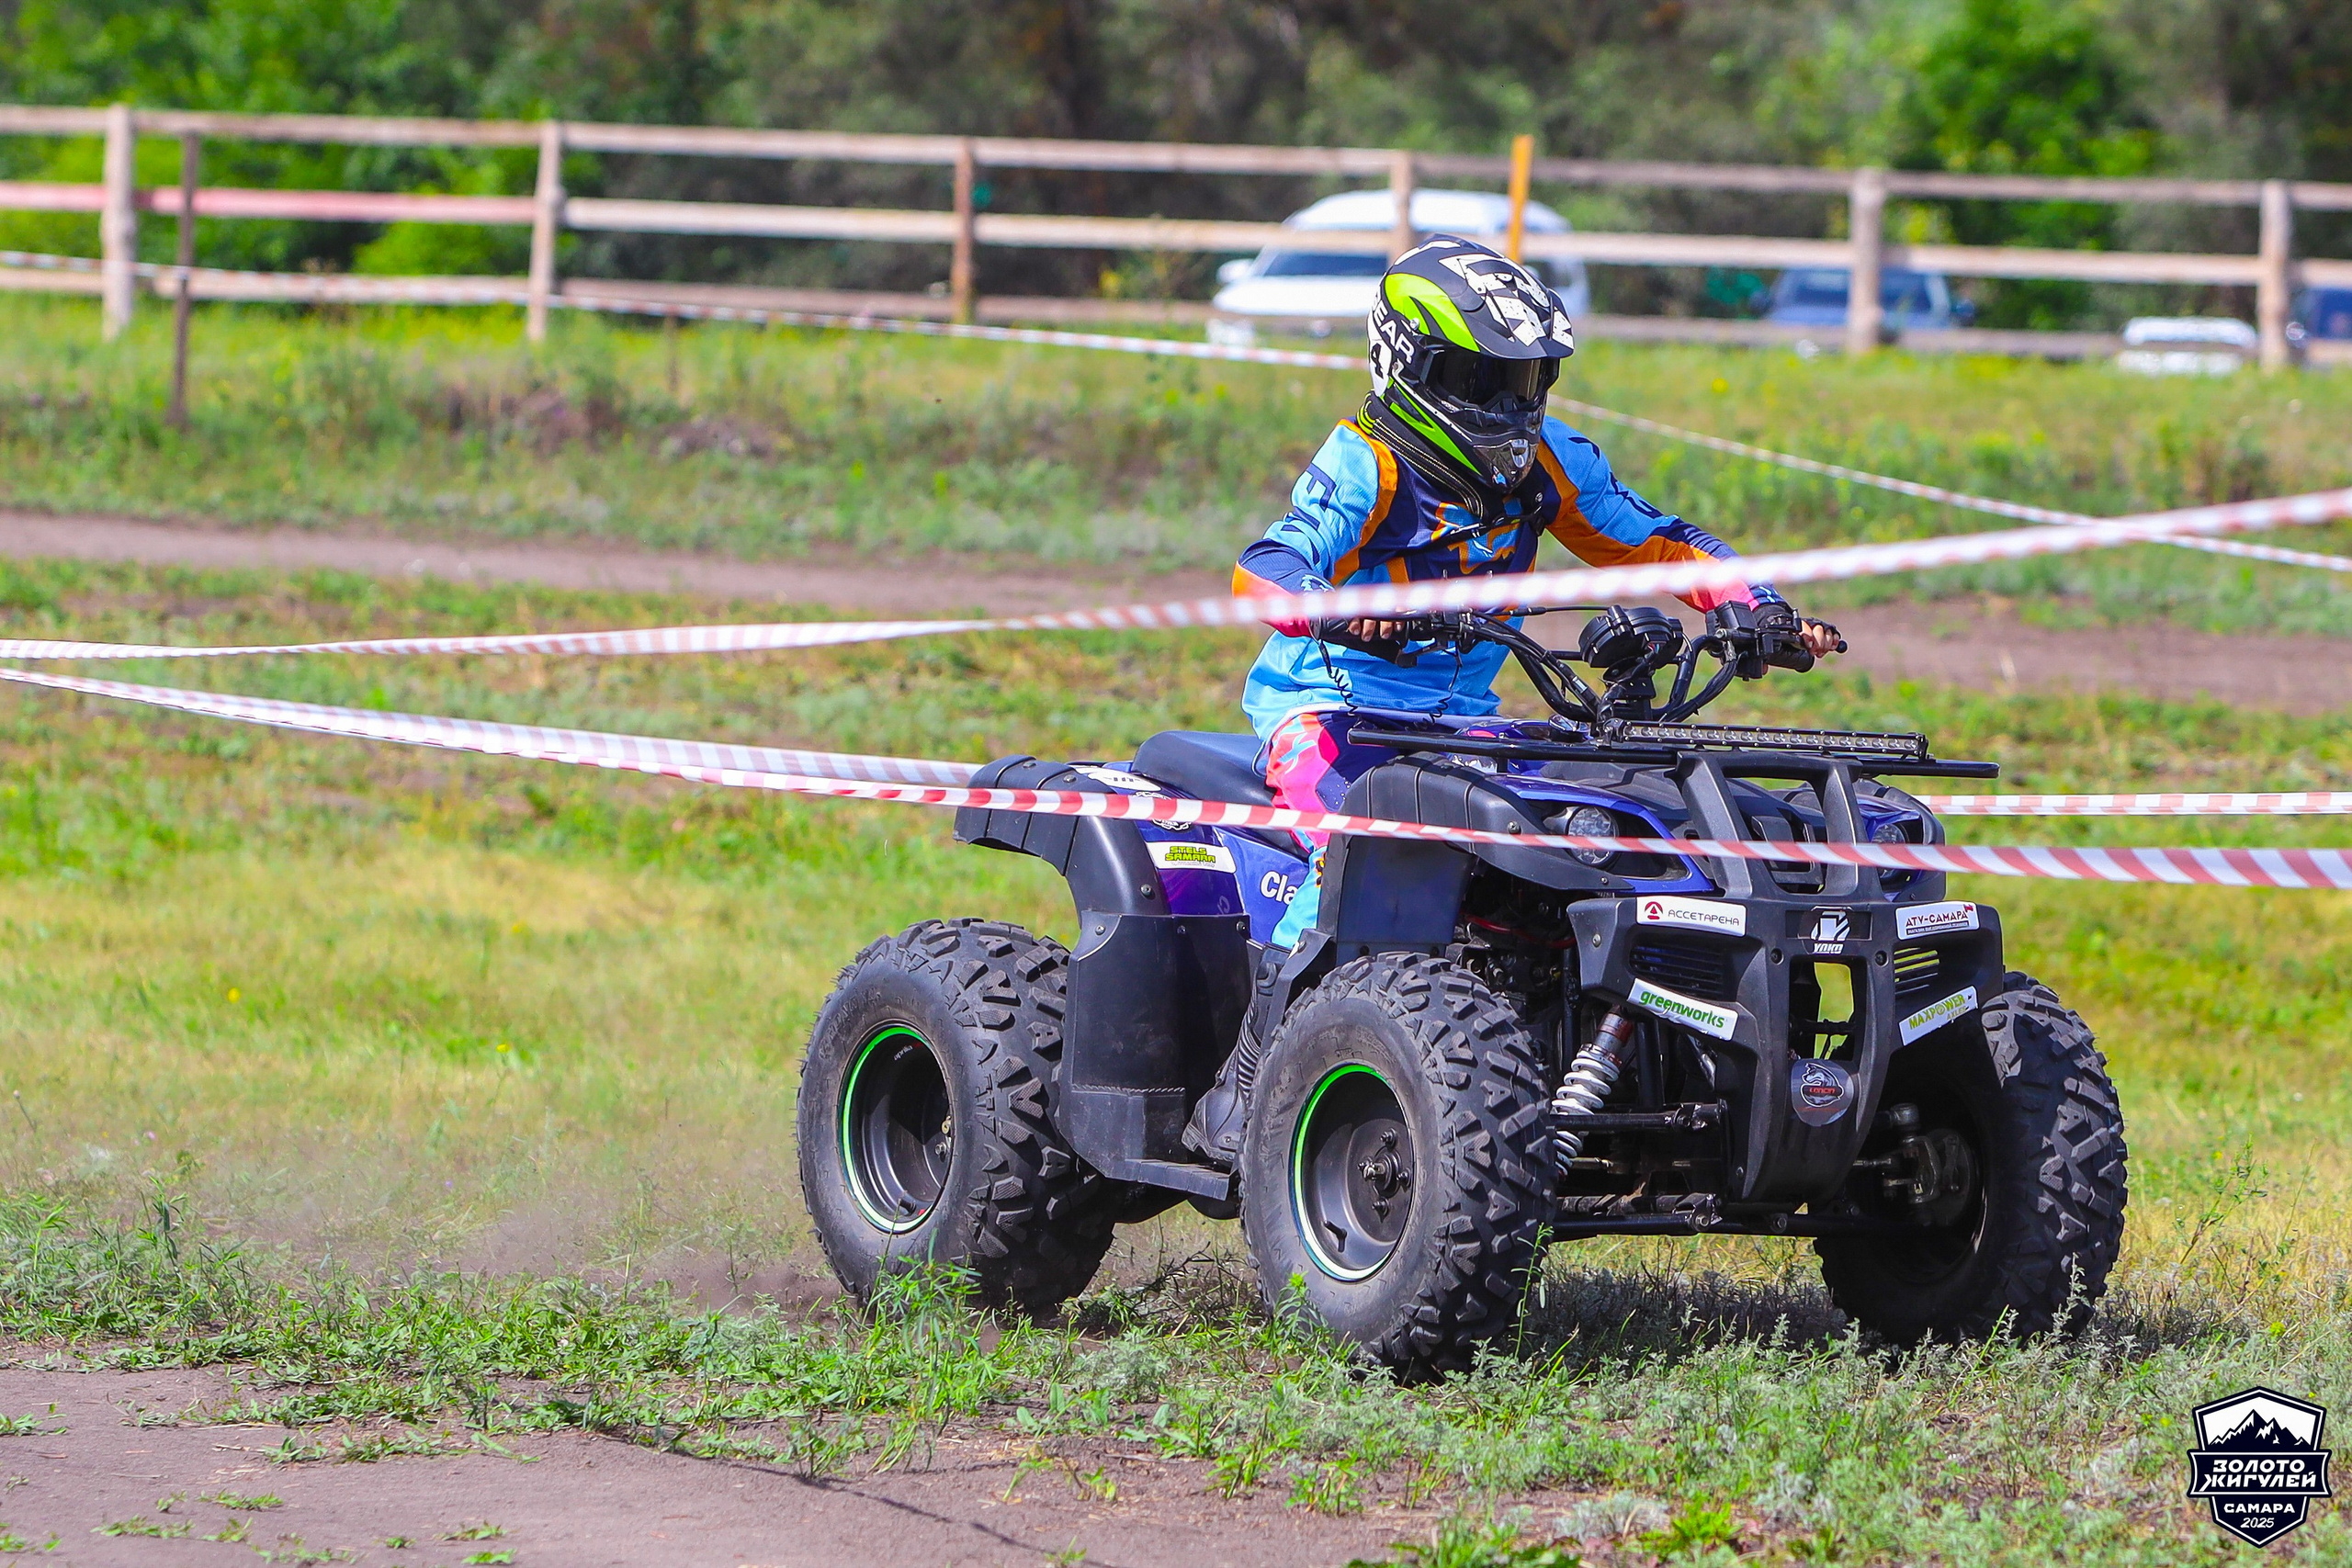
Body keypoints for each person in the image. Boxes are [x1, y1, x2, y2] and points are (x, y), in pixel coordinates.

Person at [1183, 234, 1840, 1164]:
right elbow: (1265, 569)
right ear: (1407, 364)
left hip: (1471, 719)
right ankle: (1248, 1086)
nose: (1509, 408)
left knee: (1594, 840)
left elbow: (1652, 543)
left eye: (1528, 383)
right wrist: (1334, 612)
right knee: (1355, 859)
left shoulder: (1549, 461)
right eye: (1482, 381)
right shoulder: (1365, 465)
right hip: (1334, 709)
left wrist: (1759, 608)